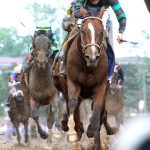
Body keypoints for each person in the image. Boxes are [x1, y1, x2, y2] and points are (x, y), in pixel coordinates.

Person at [57, 0, 126, 76]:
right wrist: (85, 17)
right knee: (74, 31)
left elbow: (121, 16)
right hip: (84, 18)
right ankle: (63, 60)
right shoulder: (79, 2)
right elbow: (77, 13)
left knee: (107, 38)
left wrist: (121, 32)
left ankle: (109, 74)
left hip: (102, 19)